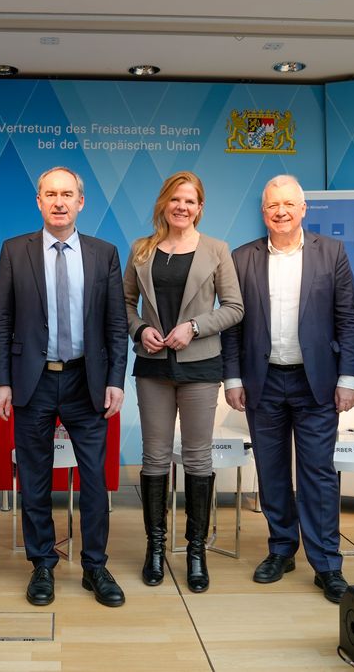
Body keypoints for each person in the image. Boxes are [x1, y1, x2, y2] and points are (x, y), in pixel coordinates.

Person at [0, 166, 128, 608]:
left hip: (86, 379)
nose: (59, 201)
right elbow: (2, 321)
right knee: (34, 477)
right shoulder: (15, 251)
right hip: (33, 381)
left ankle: (95, 566)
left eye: (67, 194)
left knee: (93, 478)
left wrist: (115, 381)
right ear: (39, 202)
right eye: (50, 194)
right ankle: (42, 565)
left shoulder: (104, 252)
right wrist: (2, 382)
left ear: (81, 202)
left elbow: (116, 325)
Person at [222, 174, 354, 604]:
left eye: (288, 204)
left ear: (304, 209)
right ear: (262, 212)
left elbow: (349, 319)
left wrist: (348, 378)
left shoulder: (331, 253)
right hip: (262, 382)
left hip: (315, 382)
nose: (280, 211)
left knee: (318, 473)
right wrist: (232, 378)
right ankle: (282, 549)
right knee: (272, 471)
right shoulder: (241, 258)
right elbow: (232, 325)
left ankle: (327, 564)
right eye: (271, 206)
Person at [122, 171, 243, 592]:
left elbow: (234, 307)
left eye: (190, 201)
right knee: (154, 458)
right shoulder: (142, 250)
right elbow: (123, 305)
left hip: (199, 366)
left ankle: (195, 551)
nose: (182, 207)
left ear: (200, 207)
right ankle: (155, 548)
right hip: (153, 366)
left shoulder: (217, 250)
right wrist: (139, 330)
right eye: (175, 200)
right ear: (163, 203)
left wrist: (194, 326)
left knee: (198, 459)